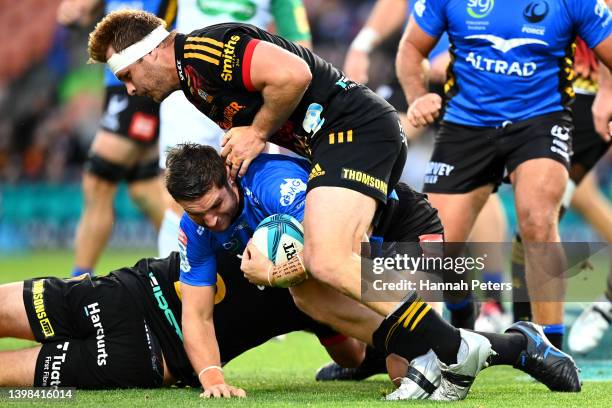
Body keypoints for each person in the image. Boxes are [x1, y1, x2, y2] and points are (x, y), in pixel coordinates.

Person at [86, 14, 580, 400]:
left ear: (150, 52)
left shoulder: (202, 49)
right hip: (335, 150)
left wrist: (257, 133)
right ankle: (508, 343)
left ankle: (461, 346)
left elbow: (293, 73)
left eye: (128, 74)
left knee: (322, 257)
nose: (129, 89)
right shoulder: (194, 83)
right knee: (309, 295)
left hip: (356, 132)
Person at [166, 143, 580, 400]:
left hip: (402, 228)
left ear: (231, 179)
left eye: (216, 207)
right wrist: (211, 377)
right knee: (405, 361)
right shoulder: (197, 229)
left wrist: (272, 273)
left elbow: (329, 248)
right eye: (197, 215)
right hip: (359, 263)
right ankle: (512, 343)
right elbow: (197, 313)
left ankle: (519, 345)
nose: (212, 222)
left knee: (427, 360)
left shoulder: (273, 181)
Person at [396, 0, 612, 350]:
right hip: (466, 124)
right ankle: (463, 309)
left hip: (541, 120)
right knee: (436, 242)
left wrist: (607, 93)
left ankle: (549, 349)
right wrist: (417, 96)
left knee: (538, 220)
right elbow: (411, 46)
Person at [342, 0, 511, 333]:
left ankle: (491, 301)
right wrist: (363, 44)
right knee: (381, 136)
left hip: (475, 65)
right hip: (417, 59)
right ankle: (387, 312)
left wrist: (458, 54)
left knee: (477, 181)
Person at [0, 251, 368, 390]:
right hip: (150, 357)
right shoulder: (324, 301)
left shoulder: (251, 210)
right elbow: (352, 358)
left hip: (128, 294)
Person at [157, 0, 313, 257]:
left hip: (247, 102)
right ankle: (180, 278)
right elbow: (158, 29)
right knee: (185, 199)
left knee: (254, 190)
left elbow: (299, 47)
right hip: (187, 92)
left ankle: (263, 275)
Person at [57, 0, 171, 277]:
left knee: (98, 179)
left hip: (143, 74)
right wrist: (77, 11)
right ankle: (185, 263)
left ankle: (78, 283)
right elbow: (82, 11)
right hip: (118, 81)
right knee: (144, 190)